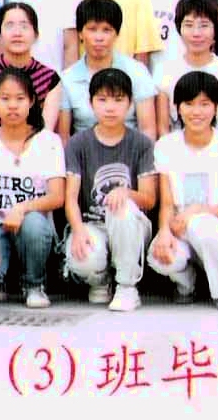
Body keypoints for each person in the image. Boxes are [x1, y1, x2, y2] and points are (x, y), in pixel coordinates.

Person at [147, 72, 218, 309]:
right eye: (189, 104)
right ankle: (187, 283)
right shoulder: (166, 146)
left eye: (204, 104)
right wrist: (164, 231)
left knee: (202, 225)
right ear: (177, 107)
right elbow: (167, 204)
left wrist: (198, 209)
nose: (196, 111)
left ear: (217, 107)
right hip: (179, 229)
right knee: (158, 256)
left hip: (217, 232)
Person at [0, 66, 64, 308]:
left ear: (32, 101)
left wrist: (22, 208)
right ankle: (0, 280)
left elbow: (57, 197)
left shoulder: (48, 141)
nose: (12, 105)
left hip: (32, 226)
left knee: (33, 224)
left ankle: (34, 284)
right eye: (5, 98)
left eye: (20, 98)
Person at [62, 68, 157, 312]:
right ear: (90, 103)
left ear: (130, 104)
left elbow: (149, 199)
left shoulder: (141, 143)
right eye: (102, 100)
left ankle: (126, 286)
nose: (110, 107)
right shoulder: (77, 143)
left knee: (121, 209)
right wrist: (78, 230)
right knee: (83, 258)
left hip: (132, 226)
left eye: (118, 100)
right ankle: (101, 280)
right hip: (93, 224)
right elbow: (70, 198)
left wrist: (127, 193)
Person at [60, 0, 161, 138]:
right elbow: (64, 136)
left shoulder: (137, 71)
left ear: (117, 34)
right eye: (92, 29)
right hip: (84, 150)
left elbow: (147, 129)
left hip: (129, 149)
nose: (99, 37)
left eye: (106, 30)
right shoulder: (67, 79)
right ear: (80, 33)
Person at [152, 0, 218, 133]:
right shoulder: (163, 71)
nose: (196, 33)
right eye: (188, 25)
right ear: (179, 28)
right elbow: (162, 128)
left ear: (216, 29)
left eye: (204, 25)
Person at [0, 2, 65, 137]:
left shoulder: (50, 79)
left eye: (24, 26)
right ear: (0, 34)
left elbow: (46, 134)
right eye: (9, 25)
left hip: (37, 148)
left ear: (36, 34)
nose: (17, 33)